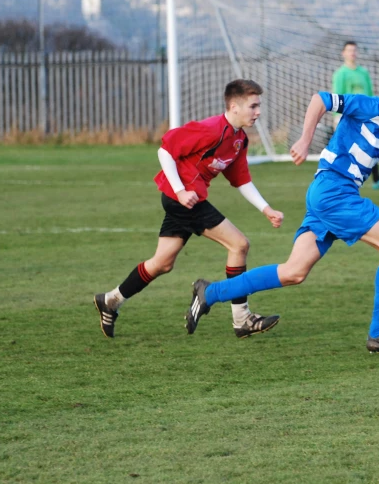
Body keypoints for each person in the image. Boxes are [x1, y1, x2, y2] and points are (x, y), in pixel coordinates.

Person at [186, 69, 379, 353]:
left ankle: (210, 292)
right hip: (334, 193)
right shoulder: (373, 106)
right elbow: (321, 99)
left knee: (294, 272)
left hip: (329, 194)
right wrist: (306, 140)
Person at [93, 79, 285, 339]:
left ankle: (111, 300)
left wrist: (266, 209)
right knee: (239, 245)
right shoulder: (210, 129)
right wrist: (181, 190)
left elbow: (241, 179)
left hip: (186, 201)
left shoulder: (239, 139)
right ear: (234, 106)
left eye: (258, 106)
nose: (258, 112)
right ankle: (242, 319)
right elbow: (166, 150)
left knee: (162, 263)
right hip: (182, 200)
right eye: (253, 106)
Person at [332, 41, 379, 190]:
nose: (352, 53)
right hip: (348, 118)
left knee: (371, 146)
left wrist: (374, 113)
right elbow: (337, 97)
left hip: (365, 117)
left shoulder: (363, 72)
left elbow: (369, 95)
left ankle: (377, 180)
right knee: (346, 149)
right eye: (349, 50)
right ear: (343, 53)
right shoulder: (340, 74)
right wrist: (338, 118)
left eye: (354, 50)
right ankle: (340, 181)